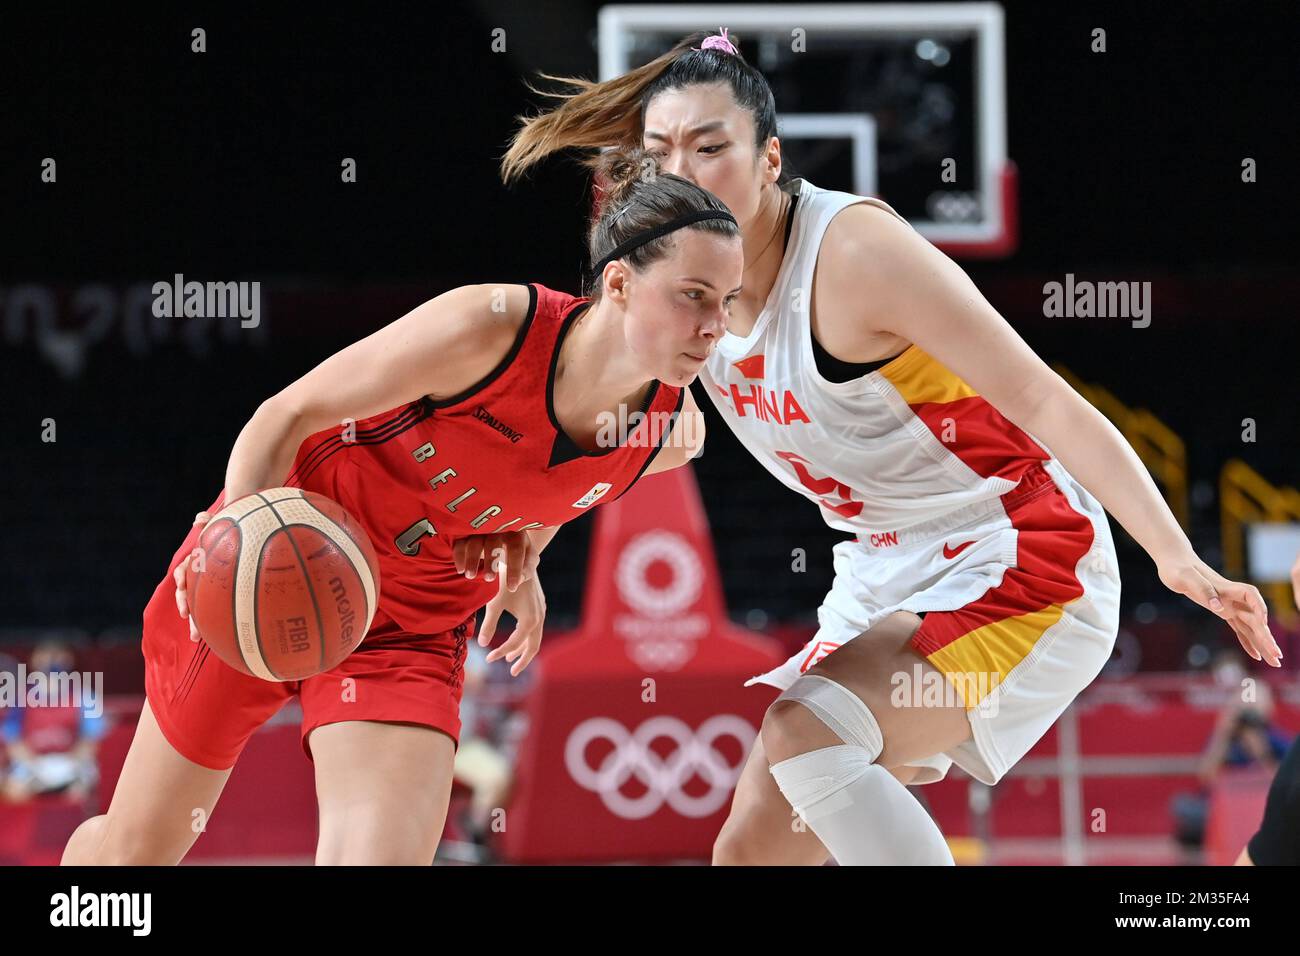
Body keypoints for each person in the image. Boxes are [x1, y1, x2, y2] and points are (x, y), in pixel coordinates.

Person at [500, 28, 1282, 865]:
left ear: (770, 160)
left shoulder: (855, 253)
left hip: (1023, 552)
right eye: (661, 152)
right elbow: (637, 431)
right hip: (881, 566)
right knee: (751, 848)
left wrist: (1175, 556)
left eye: (711, 146)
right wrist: (533, 544)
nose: (683, 171)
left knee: (806, 734)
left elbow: (1039, 397)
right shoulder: (681, 283)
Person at [60, 149, 742, 865]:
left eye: (727, 301)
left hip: (409, 628)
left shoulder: (672, 433)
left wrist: (523, 550)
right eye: (692, 294)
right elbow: (283, 414)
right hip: (275, 567)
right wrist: (230, 544)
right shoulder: (491, 331)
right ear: (620, 282)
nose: (713, 325)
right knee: (130, 862)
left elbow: (564, 485)